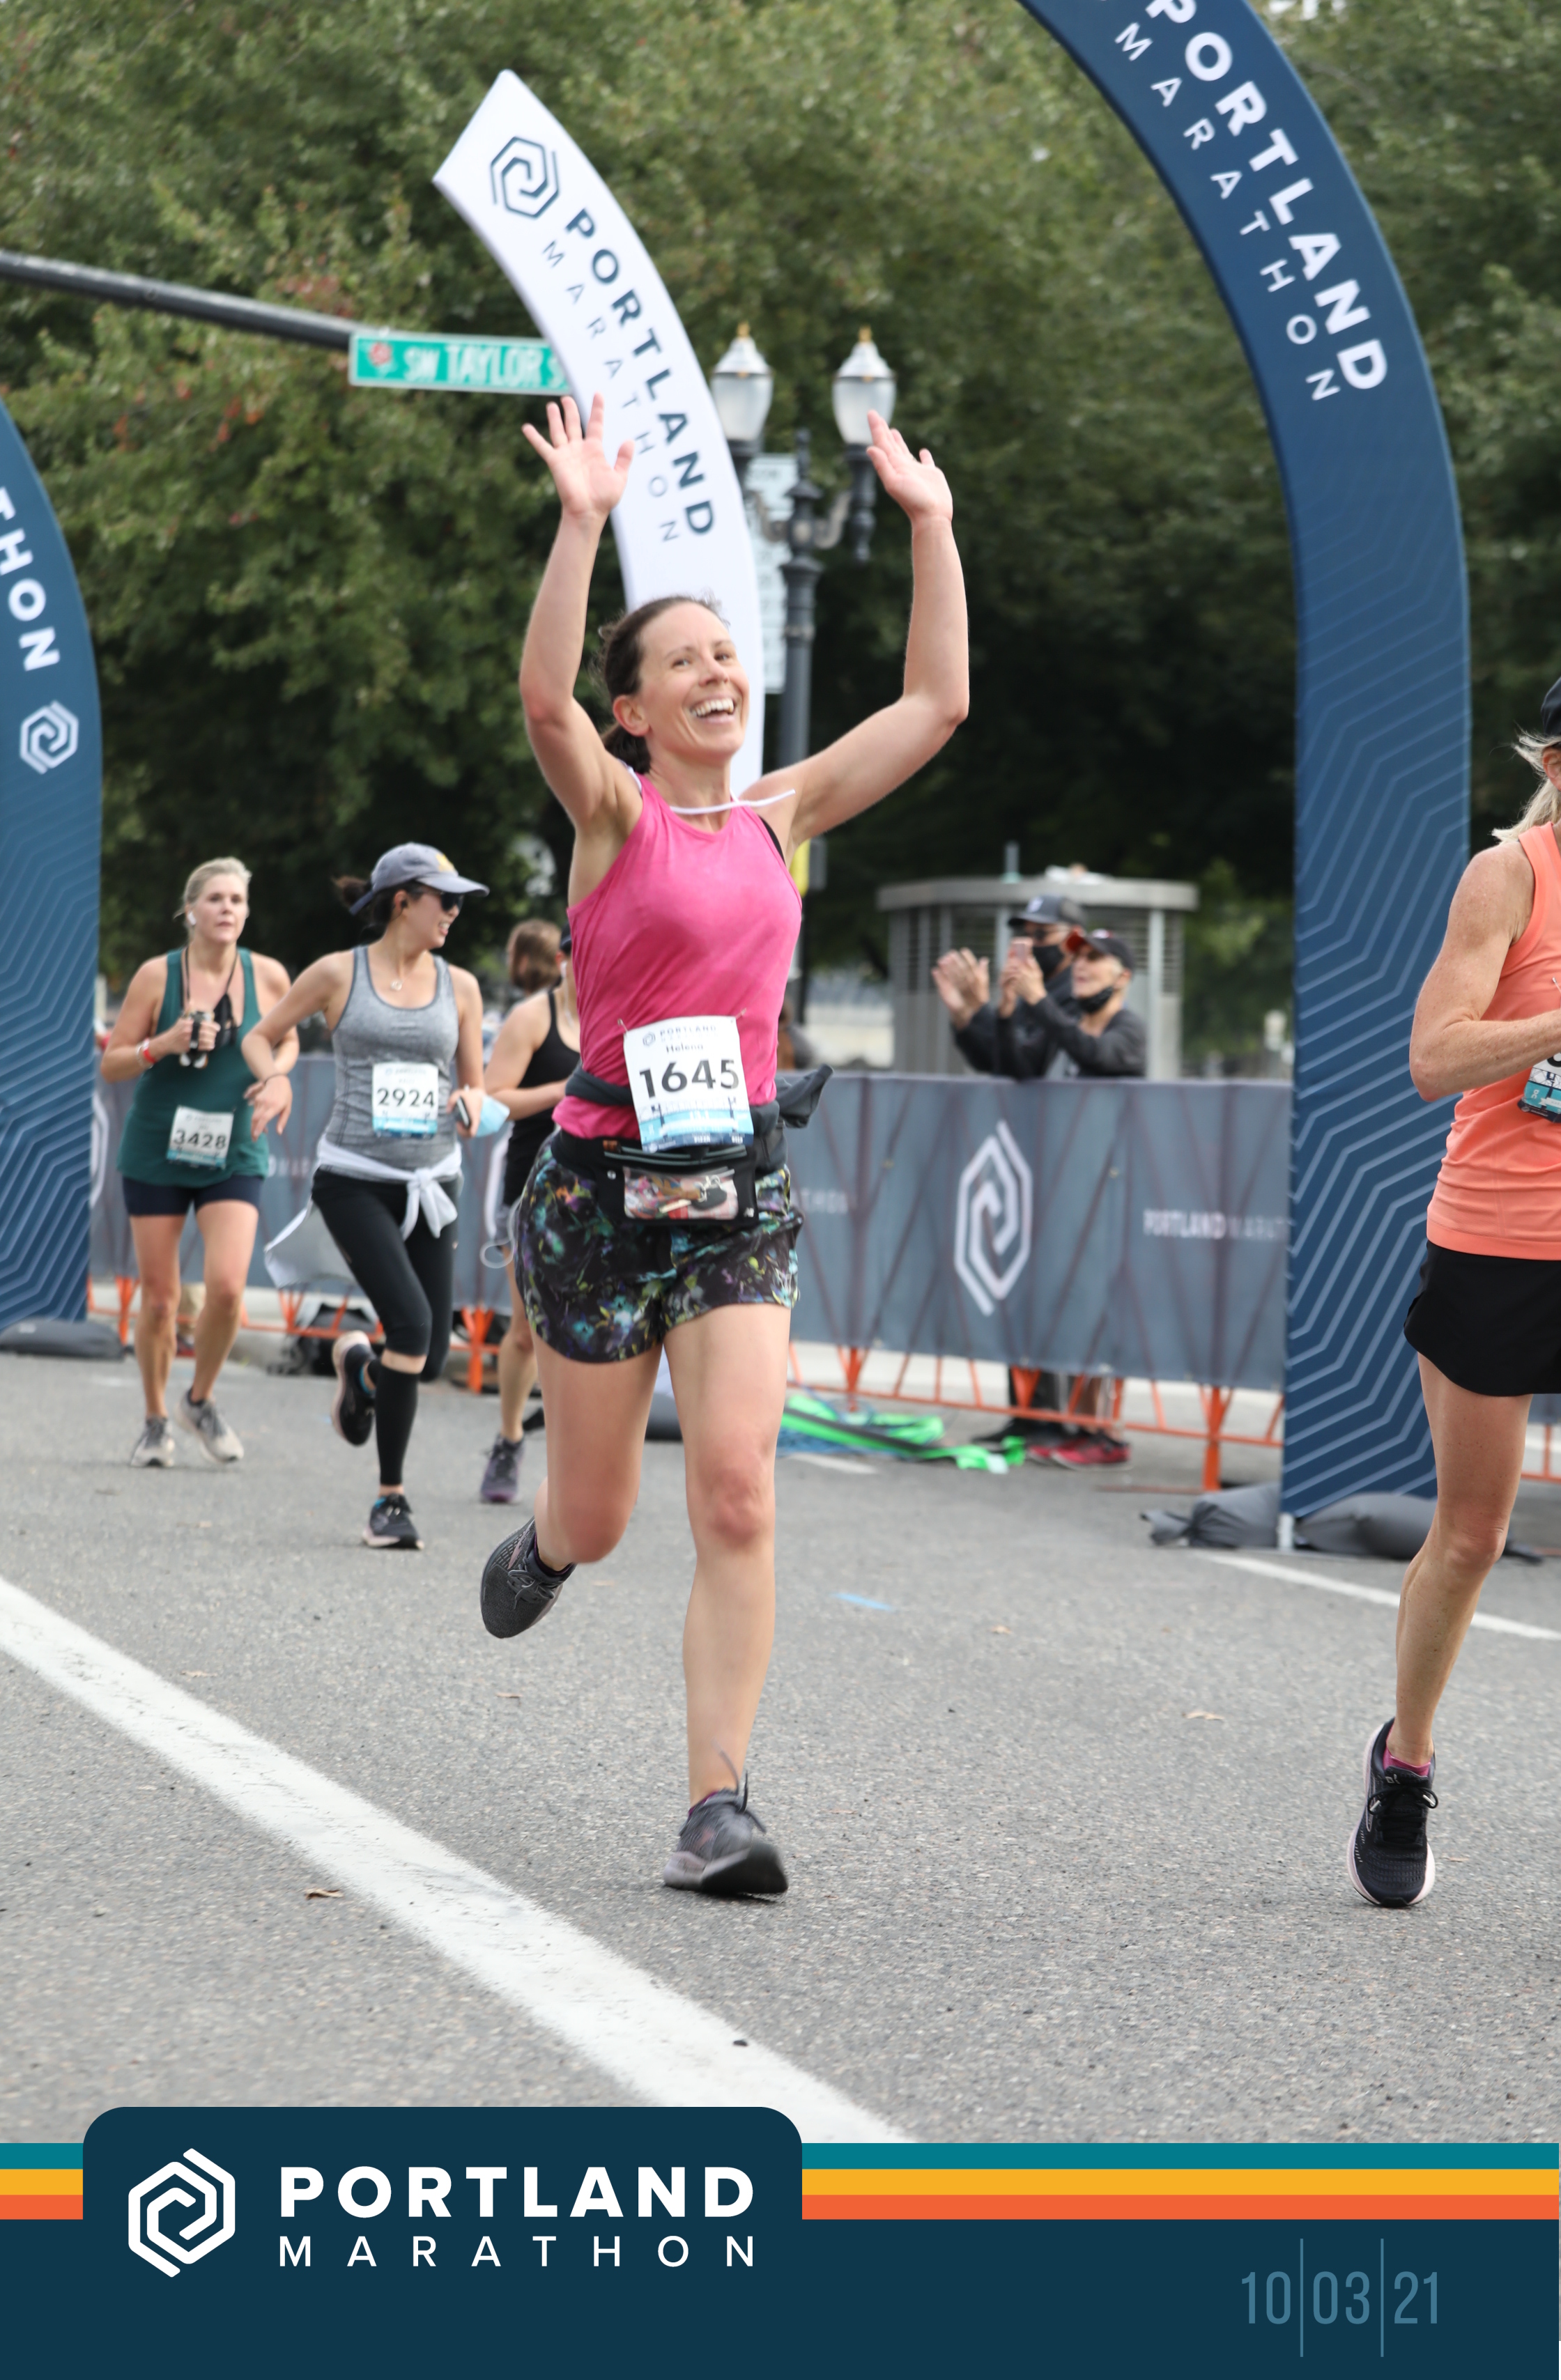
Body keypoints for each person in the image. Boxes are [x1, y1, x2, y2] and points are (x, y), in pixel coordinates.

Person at [480, 390, 966, 1897]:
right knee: (602, 1511)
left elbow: (935, 705)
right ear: (636, 709)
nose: (718, 671)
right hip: (597, 1195)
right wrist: (581, 523)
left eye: (726, 655)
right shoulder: (614, 816)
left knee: (740, 1488)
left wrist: (933, 528)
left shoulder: (779, 815)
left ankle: (717, 1806)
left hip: (738, 1188)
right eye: (684, 658)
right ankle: (551, 1547)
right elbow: (543, 702)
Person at [1349, 676, 1561, 1907]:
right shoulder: (1511, 875)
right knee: (1474, 1535)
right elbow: (1434, 1057)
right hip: (1504, 1237)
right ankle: (1407, 1763)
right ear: (1555, 764)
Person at [242, 843, 488, 1551]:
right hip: (353, 1177)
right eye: (445, 899)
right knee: (410, 1324)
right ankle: (390, 1501)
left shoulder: (462, 986)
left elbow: (473, 1080)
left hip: (432, 1180)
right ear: (403, 901)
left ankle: (360, 1367)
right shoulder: (336, 973)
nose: (455, 911)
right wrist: (276, 1078)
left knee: (430, 1355)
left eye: (459, 901)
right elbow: (261, 1037)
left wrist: (474, 1101)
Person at [100, 858, 297, 1467]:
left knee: (229, 1289)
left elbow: (289, 1038)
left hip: (234, 1146)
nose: (227, 909)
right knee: (160, 1300)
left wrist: (277, 1078)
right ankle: (155, 1420)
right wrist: (162, 1045)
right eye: (215, 899)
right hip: (158, 1147)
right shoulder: (156, 976)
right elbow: (113, 1063)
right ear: (191, 910)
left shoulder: (268, 975)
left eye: (237, 900)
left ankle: (200, 1400)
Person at [477, 920, 580, 1503]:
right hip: (533, 1190)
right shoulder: (534, 1017)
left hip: (604, 1194)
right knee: (528, 1330)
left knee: (594, 1334)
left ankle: (584, 1466)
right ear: (564, 959)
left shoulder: (627, 1016)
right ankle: (510, 1438)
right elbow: (493, 1100)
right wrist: (569, 1091)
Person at [931, 891, 1084, 1074]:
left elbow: (1028, 1066)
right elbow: (994, 1060)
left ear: (1074, 937)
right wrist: (963, 1014)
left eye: (1040, 934)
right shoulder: (1032, 987)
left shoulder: (1079, 991)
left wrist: (981, 1007)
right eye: (1026, 934)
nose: (1031, 943)